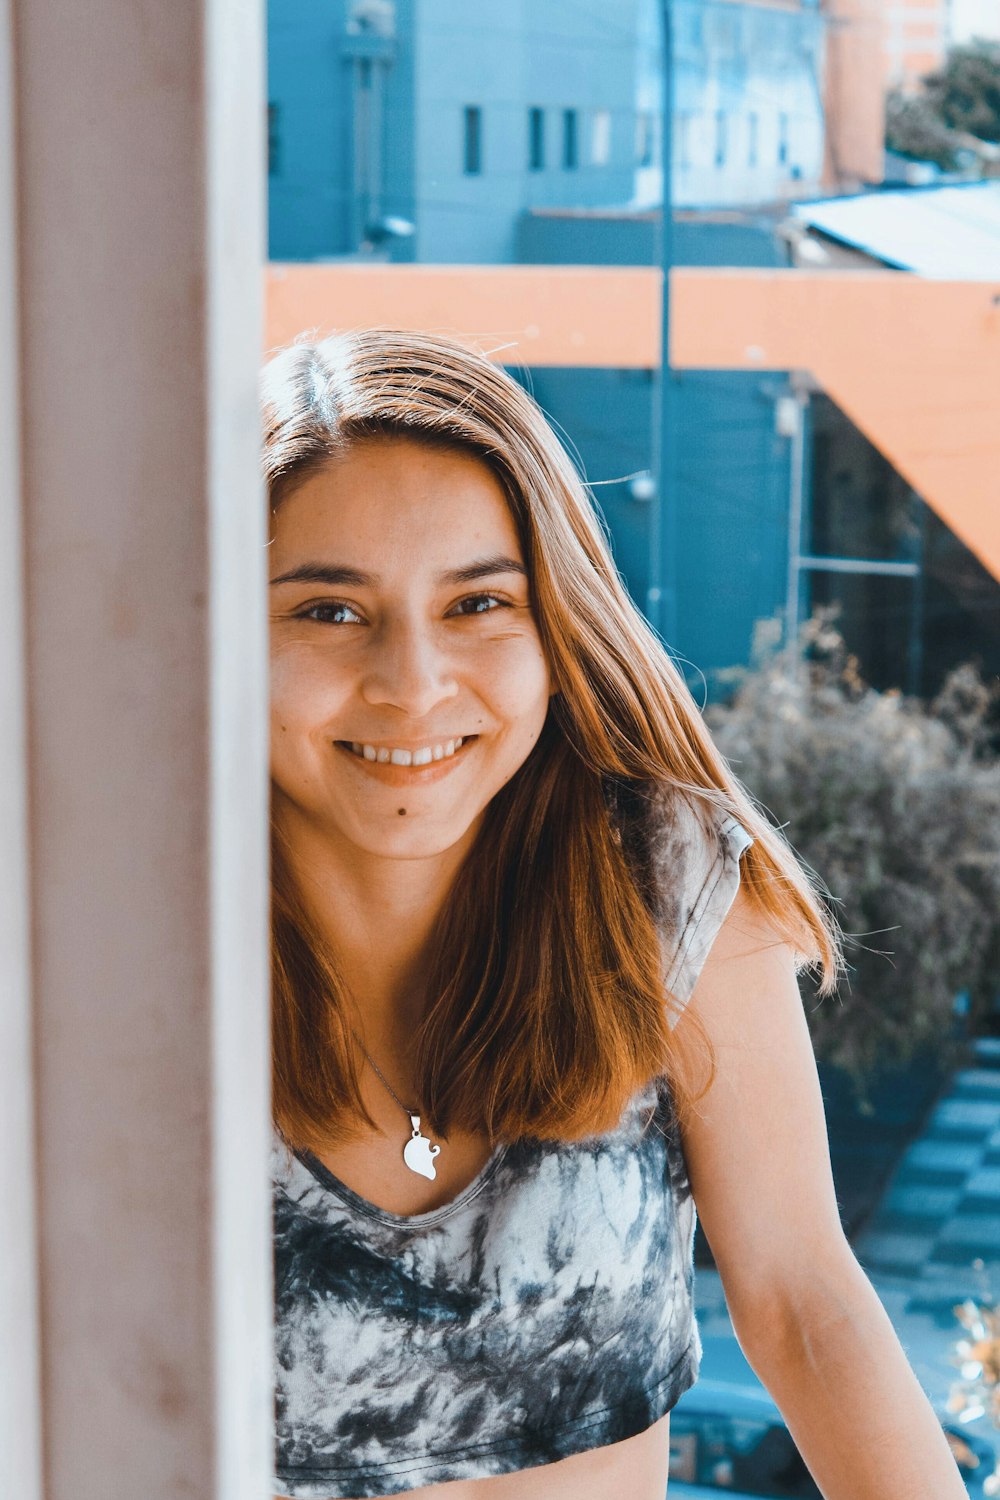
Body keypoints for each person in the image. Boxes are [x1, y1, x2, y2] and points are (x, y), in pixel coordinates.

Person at [265, 329, 966, 1500]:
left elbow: (801, 1301)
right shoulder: (117, 925)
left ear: (555, 626)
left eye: (479, 601)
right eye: (330, 612)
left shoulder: (660, 882)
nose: (413, 682)